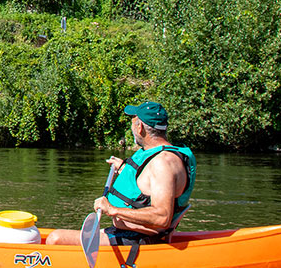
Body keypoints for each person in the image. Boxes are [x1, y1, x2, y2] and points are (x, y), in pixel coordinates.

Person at [45, 101, 195, 247]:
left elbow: (162, 216)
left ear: (140, 127)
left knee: (55, 239)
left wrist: (112, 210)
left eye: (132, 121)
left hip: (138, 240)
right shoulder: (160, 156)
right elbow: (148, 186)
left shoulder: (163, 163)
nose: (131, 127)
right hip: (129, 234)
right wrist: (124, 169)